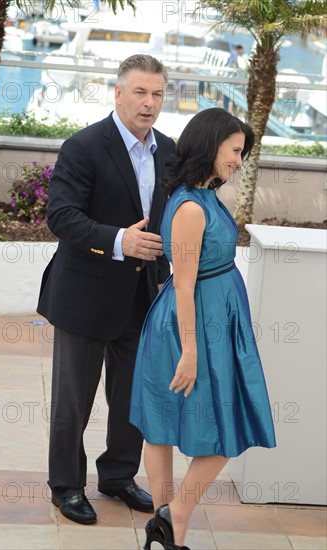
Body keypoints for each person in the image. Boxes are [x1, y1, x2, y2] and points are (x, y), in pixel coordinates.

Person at [37, 54, 175, 525]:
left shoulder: (169, 151)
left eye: (157, 93)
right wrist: (120, 240)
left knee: (134, 396)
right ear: (118, 93)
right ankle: (67, 486)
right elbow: (62, 216)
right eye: (140, 92)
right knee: (73, 399)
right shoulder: (84, 146)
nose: (149, 102)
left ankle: (118, 475)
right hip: (85, 295)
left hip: (144, 298)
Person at [130, 107, 276, 550]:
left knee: (176, 422)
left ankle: (169, 525)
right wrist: (190, 350)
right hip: (190, 327)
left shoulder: (204, 194)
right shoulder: (192, 207)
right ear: (212, 146)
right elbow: (186, 283)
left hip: (212, 322)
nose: (238, 161)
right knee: (204, 425)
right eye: (235, 151)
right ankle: (172, 520)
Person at [223, 44, 244, 112]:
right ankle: (226, 110)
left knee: (228, 94)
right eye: (241, 50)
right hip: (231, 77)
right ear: (239, 49)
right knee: (228, 93)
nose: (241, 52)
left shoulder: (234, 54)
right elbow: (231, 64)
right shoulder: (234, 54)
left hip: (230, 77)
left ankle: (226, 109)